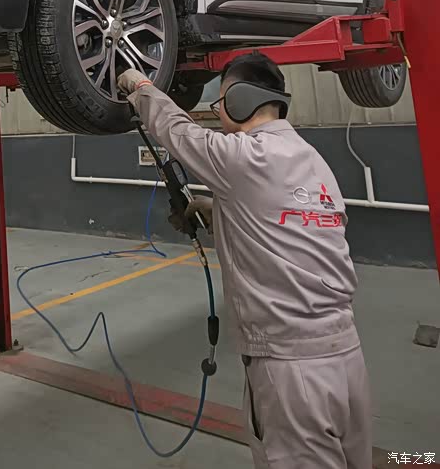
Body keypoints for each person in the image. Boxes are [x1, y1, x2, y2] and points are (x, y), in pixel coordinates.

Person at [118, 53, 372, 469]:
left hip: (292, 370)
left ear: (239, 101)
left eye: (220, 102)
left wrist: (140, 87)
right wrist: (219, 212)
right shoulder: (313, 161)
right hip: (345, 357)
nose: (218, 112)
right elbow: (287, 226)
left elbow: (178, 132)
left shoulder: (245, 156)